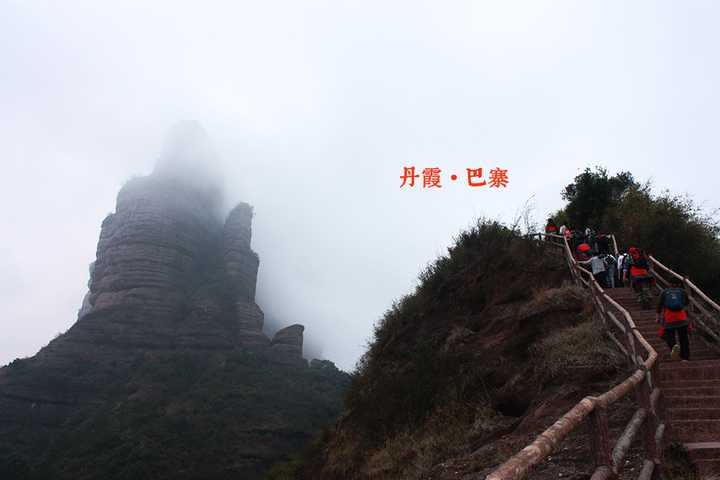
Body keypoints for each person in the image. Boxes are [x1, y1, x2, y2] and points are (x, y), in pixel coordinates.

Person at [657, 277, 691, 361]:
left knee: (669, 336)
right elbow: (687, 303)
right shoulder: (683, 292)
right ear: (679, 284)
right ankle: (685, 357)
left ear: (669, 283)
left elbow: (659, 305)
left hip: (669, 319)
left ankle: (674, 346)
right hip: (682, 318)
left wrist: (657, 316)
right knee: (684, 338)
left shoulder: (664, 292)